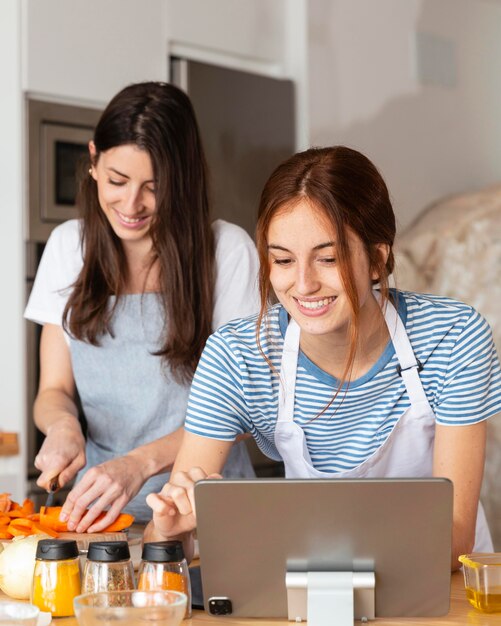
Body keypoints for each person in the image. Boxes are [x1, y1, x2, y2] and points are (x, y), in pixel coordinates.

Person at [145, 145, 501, 569]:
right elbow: (166, 548)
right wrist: (170, 532)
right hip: (313, 586)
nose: (303, 284)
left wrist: (276, 533)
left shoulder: (453, 336)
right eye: (282, 260)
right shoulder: (237, 356)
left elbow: (453, 536)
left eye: (327, 258)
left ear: (376, 259)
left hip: (445, 589)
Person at [25, 81, 259, 533]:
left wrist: (137, 464)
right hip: (100, 514)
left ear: (183, 180)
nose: (130, 205)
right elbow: (53, 390)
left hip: (209, 515)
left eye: (154, 187)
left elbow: (246, 412)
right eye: (116, 180)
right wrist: (62, 428)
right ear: (93, 161)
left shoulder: (225, 252)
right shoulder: (67, 248)